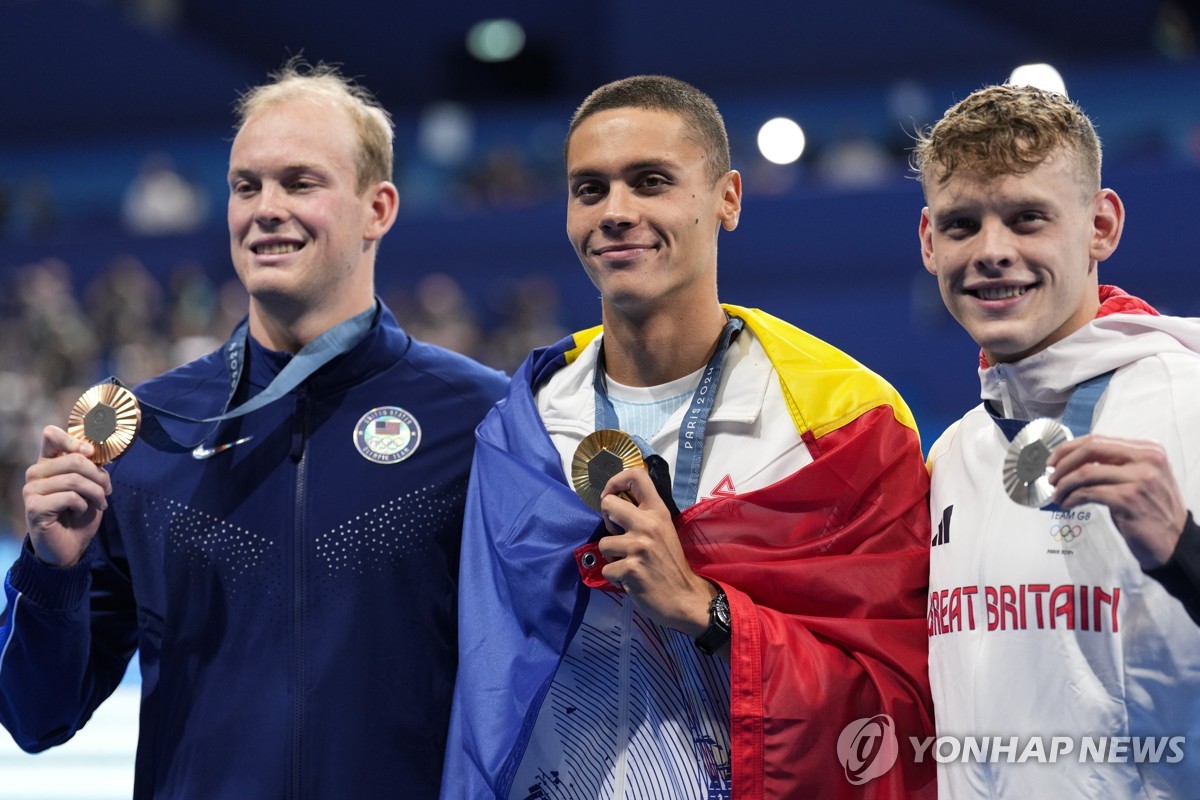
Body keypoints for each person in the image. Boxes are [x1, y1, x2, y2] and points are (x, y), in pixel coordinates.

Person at [0, 59, 508, 798]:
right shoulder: (151, 431)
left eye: (301, 183)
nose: (267, 208)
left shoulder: (477, 420)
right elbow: (36, 718)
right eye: (247, 186)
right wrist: (53, 572)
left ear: (379, 209)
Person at [441, 75, 935, 799]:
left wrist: (708, 610)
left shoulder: (840, 422)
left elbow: (899, 697)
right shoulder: (524, 427)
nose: (615, 212)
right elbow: (489, 682)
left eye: (650, 182)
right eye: (589, 189)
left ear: (727, 198)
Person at [915, 83, 1200, 797]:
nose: (991, 252)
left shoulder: (1187, 396)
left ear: (1101, 226)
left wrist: (1185, 550)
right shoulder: (953, 455)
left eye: (1027, 218)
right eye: (961, 225)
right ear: (928, 242)